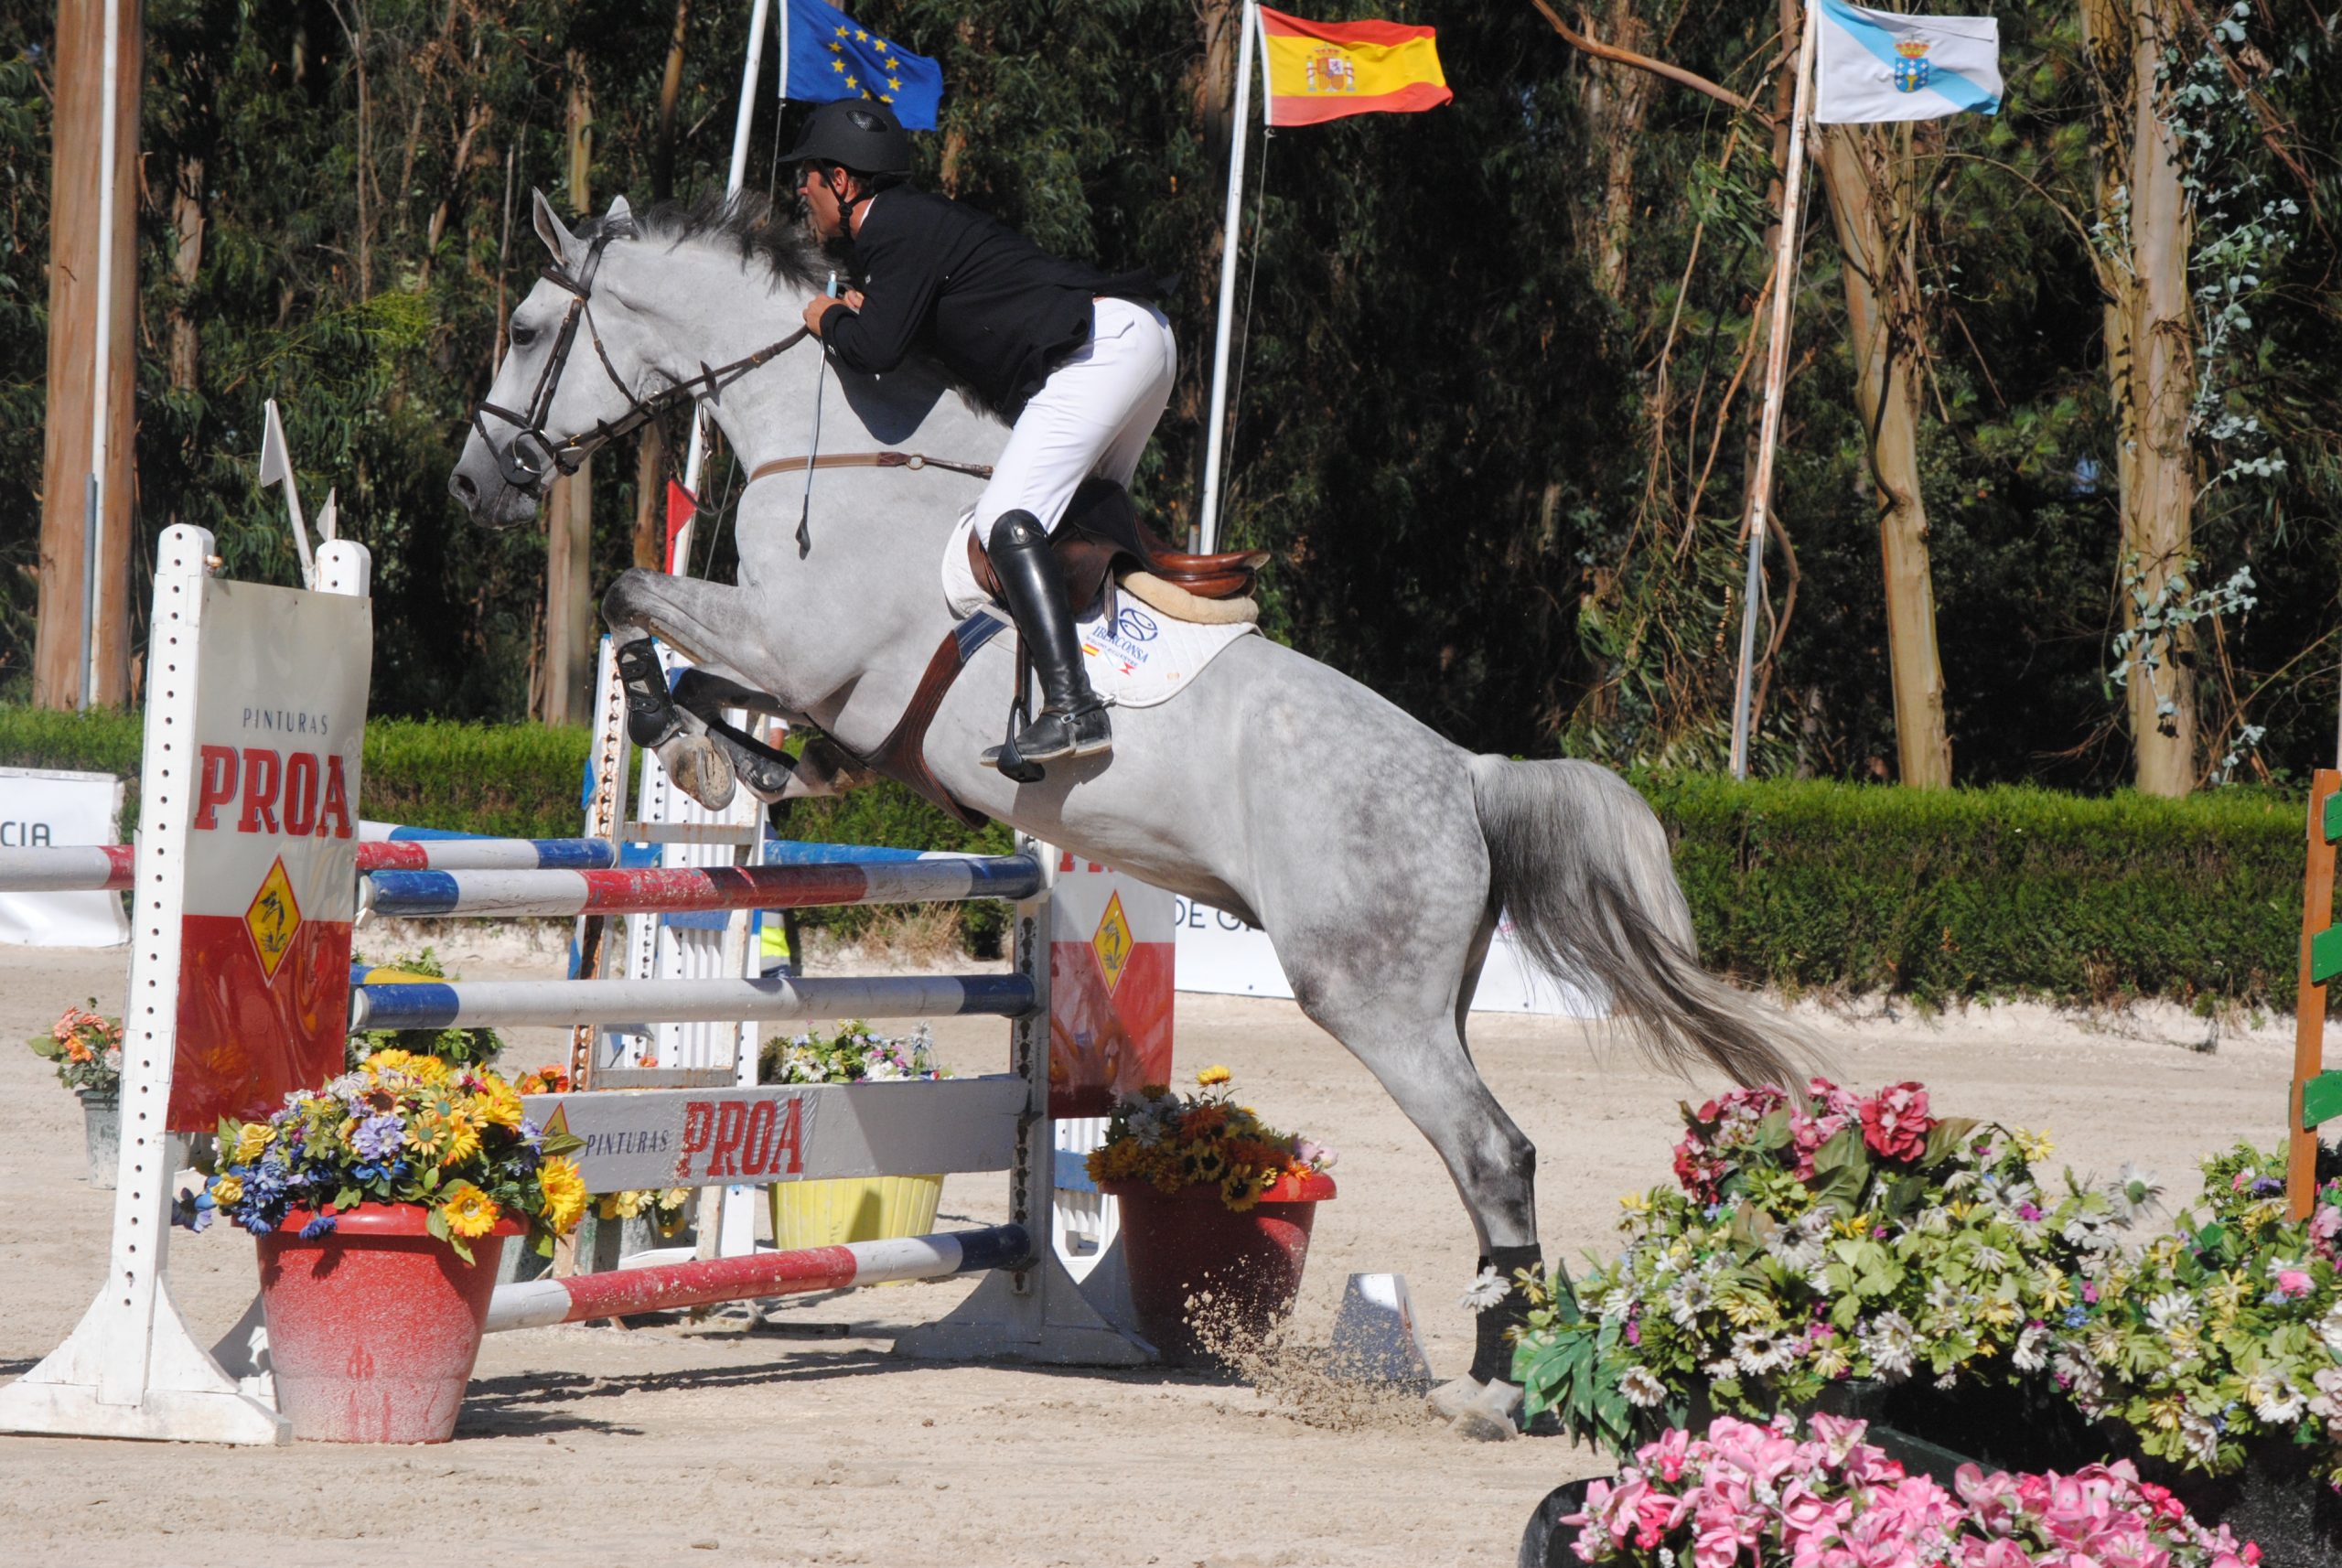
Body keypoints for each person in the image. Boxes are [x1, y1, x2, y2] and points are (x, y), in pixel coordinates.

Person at [785, 99, 1176, 769]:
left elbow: (876, 351)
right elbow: (911, 332)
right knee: (1077, 528)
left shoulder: (888, 228)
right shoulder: (912, 222)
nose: (802, 193)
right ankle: (1127, 676)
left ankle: (1073, 709)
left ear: (842, 182)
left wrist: (826, 317)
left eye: (809, 179)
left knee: (1004, 519)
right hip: (1142, 340)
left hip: (1100, 350)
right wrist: (868, 317)